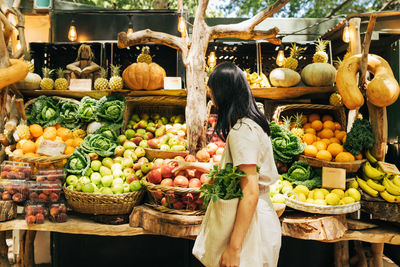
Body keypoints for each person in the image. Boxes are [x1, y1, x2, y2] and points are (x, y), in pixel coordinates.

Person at [175, 62, 281, 267]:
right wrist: (194, 167)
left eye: (212, 92)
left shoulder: (242, 131)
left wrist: (234, 248)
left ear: (223, 94)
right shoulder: (252, 124)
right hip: (255, 219)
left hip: (252, 226)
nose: (212, 99)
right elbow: (236, 174)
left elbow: (250, 192)